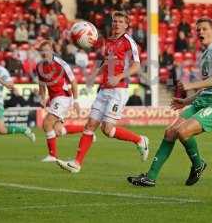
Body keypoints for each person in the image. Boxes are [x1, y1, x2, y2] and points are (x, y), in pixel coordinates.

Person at [127, 17, 212, 187]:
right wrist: (186, 101)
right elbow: (207, 88)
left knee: (183, 132)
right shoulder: (206, 53)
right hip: (204, 100)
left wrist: (191, 84)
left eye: (205, 29)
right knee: (170, 132)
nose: (201, 32)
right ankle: (150, 177)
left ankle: (198, 164)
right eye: (198, 30)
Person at [56, 11, 149, 173]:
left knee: (107, 129)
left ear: (126, 25)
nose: (117, 24)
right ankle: (76, 163)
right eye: (115, 21)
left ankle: (140, 140)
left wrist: (119, 76)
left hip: (119, 90)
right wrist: (94, 76)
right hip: (104, 89)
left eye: (121, 21)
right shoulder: (110, 41)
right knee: (90, 125)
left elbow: (136, 66)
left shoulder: (129, 42)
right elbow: (106, 63)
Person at [36, 40, 84, 162]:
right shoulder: (39, 66)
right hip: (54, 99)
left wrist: (76, 101)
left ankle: (52, 156)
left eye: (47, 50)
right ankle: (87, 131)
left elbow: (73, 82)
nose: (45, 53)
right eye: (43, 51)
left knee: (47, 123)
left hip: (63, 97)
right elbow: (41, 85)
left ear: (52, 50)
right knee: (58, 130)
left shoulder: (61, 64)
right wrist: (42, 98)